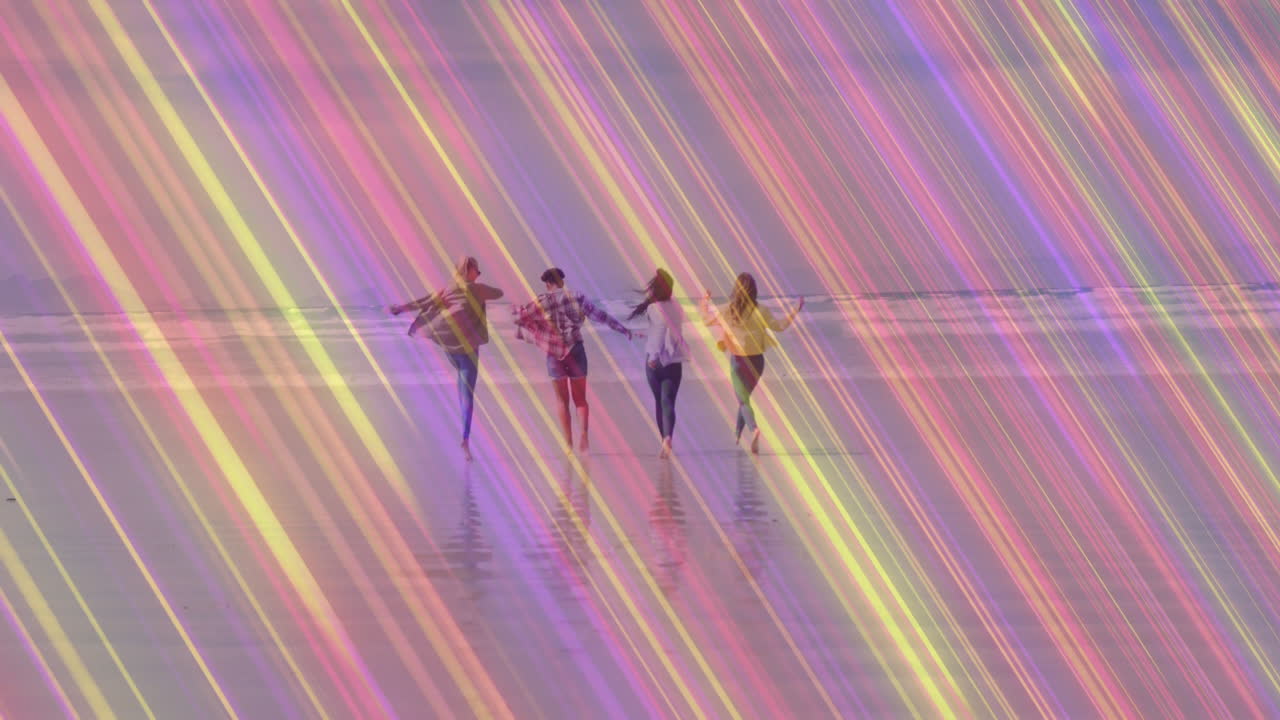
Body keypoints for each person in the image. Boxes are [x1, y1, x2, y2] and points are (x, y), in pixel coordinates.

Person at [390, 255, 503, 461]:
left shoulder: (448, 289)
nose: (478, 274)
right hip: (468, 349)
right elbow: (499, 293)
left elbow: (423, 301)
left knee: (462, 383)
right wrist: (483, 293)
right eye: (477, 270)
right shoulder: (477, 289)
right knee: (467, 395)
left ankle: (463, 432)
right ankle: (465, 439)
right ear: (468, 270)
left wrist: (400, 308)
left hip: (451, 348)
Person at [513, 267, 637, 454]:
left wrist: (540, 335)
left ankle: (568, 444)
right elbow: (600, 316)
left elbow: (520, 319)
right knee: (580, 400)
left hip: (554, 355)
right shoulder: (576, 297)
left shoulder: (540, 302)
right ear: (561, 281)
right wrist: (623, 329)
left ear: (547, 284)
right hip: (576, 351)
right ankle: (584, 436)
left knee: (562, 401)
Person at [701, 272, 803, 454]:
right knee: (744, 398)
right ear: (754, 290)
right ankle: (738, 433)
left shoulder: (728, 309)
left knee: (742, 400)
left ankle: (754, 429)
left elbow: (706, 320)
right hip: (757, 361)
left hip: (738, 361)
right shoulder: (761, 310)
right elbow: (780, 327)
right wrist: (795, 309)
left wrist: (704, 301)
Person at [628, 269, 690, 459]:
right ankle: (668, 437)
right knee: (668, 402)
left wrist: (654, 357)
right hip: (674, 361)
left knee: (659, 401)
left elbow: (660, 333)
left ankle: (663, 439)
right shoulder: (677, 307)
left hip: (654, 362)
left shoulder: (654, 308)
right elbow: (670, 331)